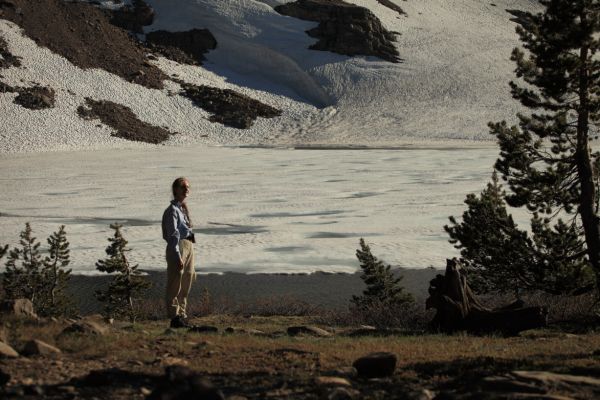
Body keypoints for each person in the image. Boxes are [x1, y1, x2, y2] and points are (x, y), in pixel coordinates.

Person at [161, 177, 196, 328]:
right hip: (179, 246)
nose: (186, 189)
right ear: (176, 190)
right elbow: (172, 234)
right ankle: (174, 317)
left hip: (188, 245)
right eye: (183, 187)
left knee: (187, 279)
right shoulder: (172, 211)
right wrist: (176, 255)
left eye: (188, 187)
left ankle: (182, 314)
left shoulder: (183, 208)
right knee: (176, 281)